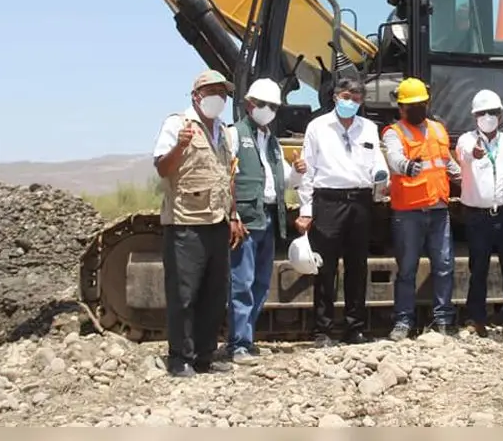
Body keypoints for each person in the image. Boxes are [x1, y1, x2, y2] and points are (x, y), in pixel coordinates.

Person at [152, 69, 244, 377]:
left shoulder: (223, 131)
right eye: (212, 92)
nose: (218, 98)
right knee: (184, 294)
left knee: (214, 294)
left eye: (223, 93)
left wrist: (233, 214)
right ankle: (180, 359)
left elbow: (227, 175)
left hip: (217, 221)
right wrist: (180, 146)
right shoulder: (177, 124)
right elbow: (163, 169)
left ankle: (205, 356)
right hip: (185, 222)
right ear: (196, 96)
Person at [295, 77, 389, 347]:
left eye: (357, 98)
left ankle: (354, 327)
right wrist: (306, 209)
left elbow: (376, 160)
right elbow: (307, 171)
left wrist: (381, 177)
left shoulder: (369, 128)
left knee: (357, 267)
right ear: (336, 96)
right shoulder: (318, 127)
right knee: (325, 268)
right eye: (347, 96)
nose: (351, 102)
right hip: (328, 201)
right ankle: (322, 330)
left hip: (360, 201)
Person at [224, 78, 305, 364]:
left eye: (273, 106)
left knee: (259, 283)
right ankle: (238, 344)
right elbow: (227, 178)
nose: (269, 110)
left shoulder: (272, 143)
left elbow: (284, 180)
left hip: (268, 217)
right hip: (246, 219)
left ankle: (246, 338)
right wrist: (232, 214)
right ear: (249, 104)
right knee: (241, 282)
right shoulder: (234, 135)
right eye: (264, 104)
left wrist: (297, 172)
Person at [382, 77, 462, 341]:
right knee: (407, 269)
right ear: (401, 108)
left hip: (439, 208)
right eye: (411, 106)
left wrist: (464, 176)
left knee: (444, 265)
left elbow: (446, 162)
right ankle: (403, 322)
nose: (416, 109)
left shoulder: (439, 129)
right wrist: (405, 166)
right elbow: (393, 158)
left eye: (420, 104)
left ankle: (442, 320)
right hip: (409, 211)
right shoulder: (395, 132)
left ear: (427, 103)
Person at [454, 89, 503, 339]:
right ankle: (476, 319)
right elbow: (463, 154)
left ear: (501, 114)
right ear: (474, 116)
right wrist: (475, 153)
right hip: (477, 216)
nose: (488, 117)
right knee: (478, 268)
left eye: (493, 112)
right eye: (483, 113)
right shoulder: (466, 140)